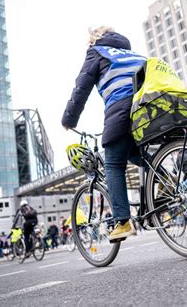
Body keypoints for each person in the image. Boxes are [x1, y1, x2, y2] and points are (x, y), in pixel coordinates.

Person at [61, 26, 147, 241]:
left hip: (122, 105)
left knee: (113, 162)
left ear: (94, 39)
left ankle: (123, 222)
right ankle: (165, 176)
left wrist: (69, 120)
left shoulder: (97, 51)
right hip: (148, 105)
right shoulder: (132, 53)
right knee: (131, 151)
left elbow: (81, 87)